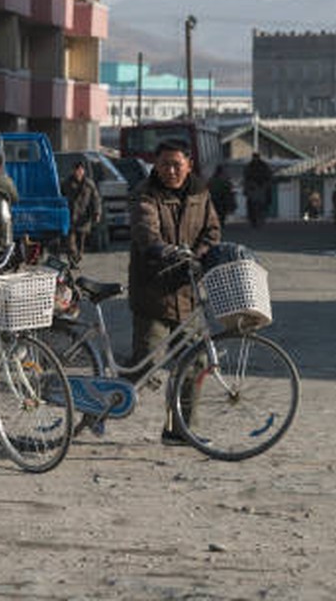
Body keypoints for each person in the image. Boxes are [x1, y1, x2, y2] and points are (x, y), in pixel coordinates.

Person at [127, 139, 221, 446]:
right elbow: (145, 232)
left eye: (177, 164)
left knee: (193, 365)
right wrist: (165, 251)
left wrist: (199, 255)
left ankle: (181, 430)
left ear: (189, 165)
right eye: (164, 164)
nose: (170, 170)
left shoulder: (200, 193)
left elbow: (212, 231)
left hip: (188, 295)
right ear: (156, 164)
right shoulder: (145, 193)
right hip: (153, 294)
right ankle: (94, 412)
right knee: (145, 368)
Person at [61, 160, 101, 266]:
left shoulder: (89, 184)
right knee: (70, 243)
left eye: (80, 170)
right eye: (76, 169)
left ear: (83, 171)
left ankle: (77, 257)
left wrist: (97, 213)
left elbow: (95, 199)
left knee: (81, 242)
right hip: (70, 216)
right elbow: (61, 197)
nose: (78, 172)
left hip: (84, 217)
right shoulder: (67, 183)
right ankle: (72, 258)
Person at [243, 154, 273, 227]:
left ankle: (260, 218)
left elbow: (268, 175)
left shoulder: (263, 166)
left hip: (261, 186)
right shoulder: (250, 166)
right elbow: (246, 177)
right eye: (254, 158)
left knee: (262, 204)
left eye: (256, 158)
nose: (255, 159)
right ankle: (254, 220)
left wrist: (266, 184)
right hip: (253, 187)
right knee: (251, 204)